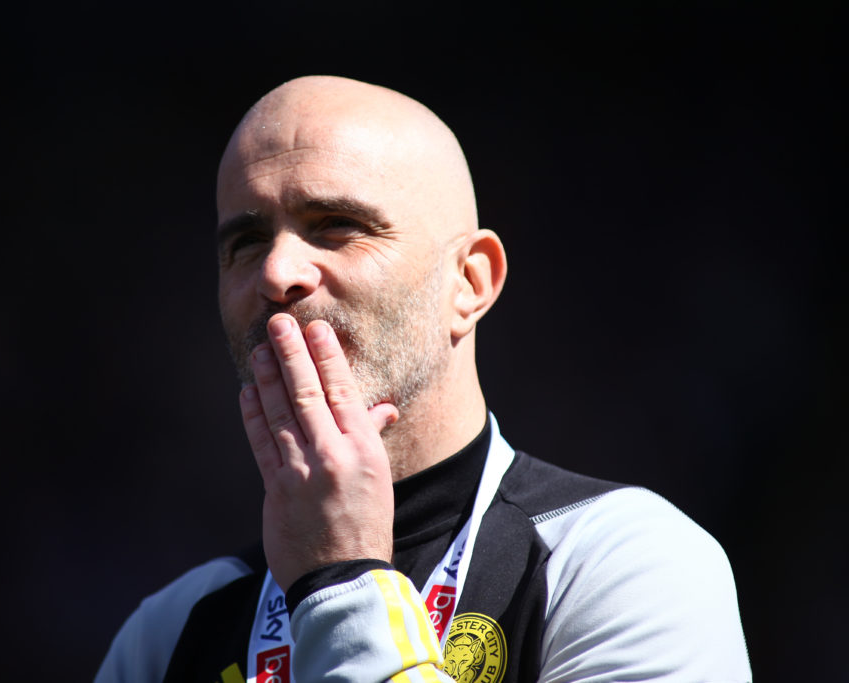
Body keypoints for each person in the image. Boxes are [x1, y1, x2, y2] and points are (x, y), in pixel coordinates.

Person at [96, 76, 752, 683]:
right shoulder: (168, 634)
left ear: (469, 282)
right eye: (246, 241)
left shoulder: (628, 567)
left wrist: (341, 579)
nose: (276, 271)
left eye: (336, 226)